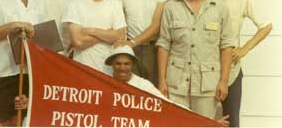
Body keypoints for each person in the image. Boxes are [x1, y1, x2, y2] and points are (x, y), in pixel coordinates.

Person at [15, 45, 229, 126]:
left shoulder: (143, 85)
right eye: (118, 63)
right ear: (112, 65)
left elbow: (169, 107)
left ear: (133, 65)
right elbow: (68, 101)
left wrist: (208, 121)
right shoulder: (101, 83)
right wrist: (31, 102)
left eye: (126, 63)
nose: (122, 68)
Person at [156, 0, 235, 119]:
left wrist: (223, 81)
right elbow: (164, 45)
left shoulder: (219, 8)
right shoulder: (172, 7)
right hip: (176, 84)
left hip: (207, 84)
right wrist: (162, 81)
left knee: (204, 125)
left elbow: (226, 47)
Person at [210, 0, 272, 127]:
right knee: (205, 119)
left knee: (231, 121)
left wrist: (244, 49)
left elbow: (266, 26)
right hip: (206, 69)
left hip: (232, 71)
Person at [116, 0, 174, 86]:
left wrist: (133, 42)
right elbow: (118, 23)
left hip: (153, 51)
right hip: (130, 50)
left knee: (152, 94)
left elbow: (156, 25)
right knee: (129, 93)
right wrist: (124, 45)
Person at [61, 0, 126, 74]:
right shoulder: (74, 5)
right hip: (82, 73)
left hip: (109, 73)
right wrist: (108, 34)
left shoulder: (115, 4)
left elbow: (121, 36)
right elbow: (78, 42)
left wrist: (92, 31)